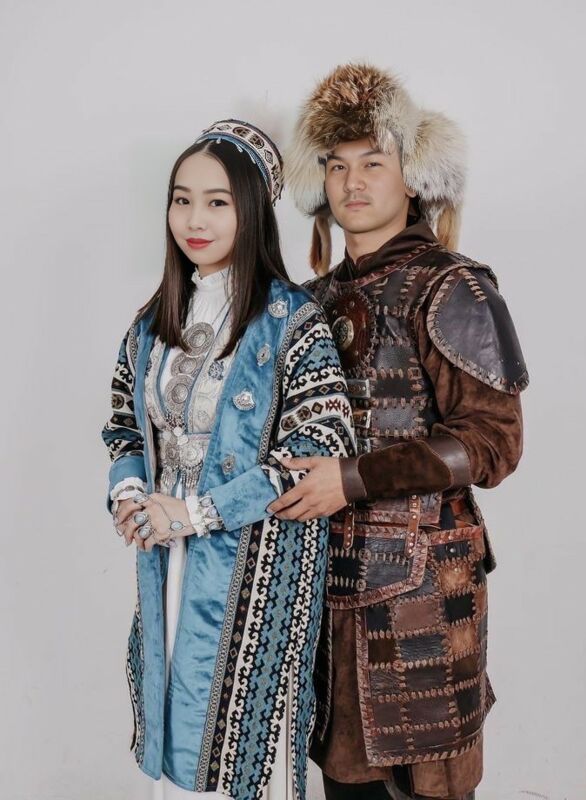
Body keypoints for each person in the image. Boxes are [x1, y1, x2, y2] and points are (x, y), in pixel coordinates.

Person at [270, 64, 529, 800]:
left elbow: (493, 441)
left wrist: (351, 480)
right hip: (324, 586)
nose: (353, 182)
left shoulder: (454, 286)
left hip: (423, 594)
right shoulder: (308, 301)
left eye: (373, 162)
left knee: (428, 789)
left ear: (410, 175)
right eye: (336, 165)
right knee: (343, 783)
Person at [101, 118, 355, 800]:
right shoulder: (152, 323)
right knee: (175, 738)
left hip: (255, 569)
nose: (195, 219)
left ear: (252, 210)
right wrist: (129, 496)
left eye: (217, 201)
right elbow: (124, 429)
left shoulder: (293, 323)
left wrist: (196, 513)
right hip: (165, 562)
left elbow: (317, 452)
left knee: (241, 751)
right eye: (182, 199)